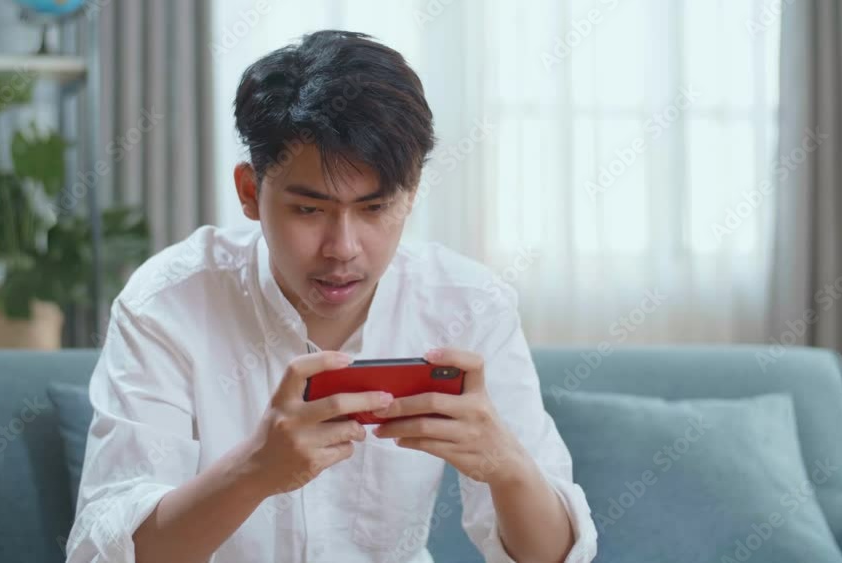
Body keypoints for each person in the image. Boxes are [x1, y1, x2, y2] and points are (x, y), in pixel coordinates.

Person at [66, 29, 597, 563]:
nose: (343, 248)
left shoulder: (470, 304)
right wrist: (254, 470)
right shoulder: (168, 303)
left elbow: (555, 557)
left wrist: (504, 464)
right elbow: (103, 554)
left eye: (375, 208)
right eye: (309, 209)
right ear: (250, 192)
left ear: (411, 194)